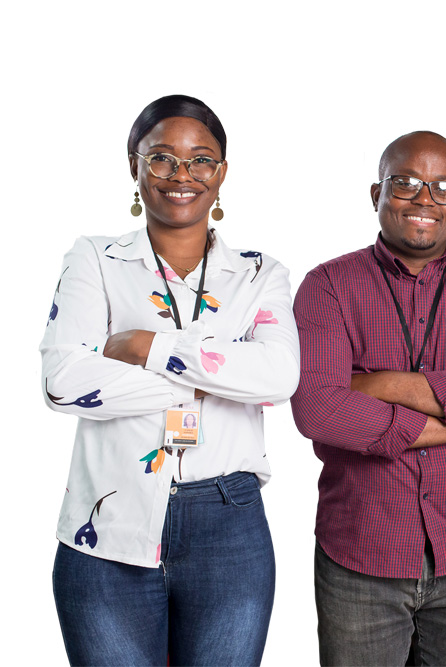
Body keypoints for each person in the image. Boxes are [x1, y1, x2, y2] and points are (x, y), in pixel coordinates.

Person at [41, 94, 300, 666]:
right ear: (134, 167)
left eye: (201, 160)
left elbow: (279, 376)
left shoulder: (260, 274)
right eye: (161, 158)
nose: (182, 175)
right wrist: (218, 375)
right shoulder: (94, 259)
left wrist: (145, 348)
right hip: (106, 523)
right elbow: (64, 380)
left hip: (228, 523)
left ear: (221, 173)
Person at [291, 131, 446, 666]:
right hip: (361, 556)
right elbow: (318, 408)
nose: (425, 199)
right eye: (405, 183)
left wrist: (379, 385)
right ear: (376, 193)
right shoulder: (328, 285)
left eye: (443, 188)